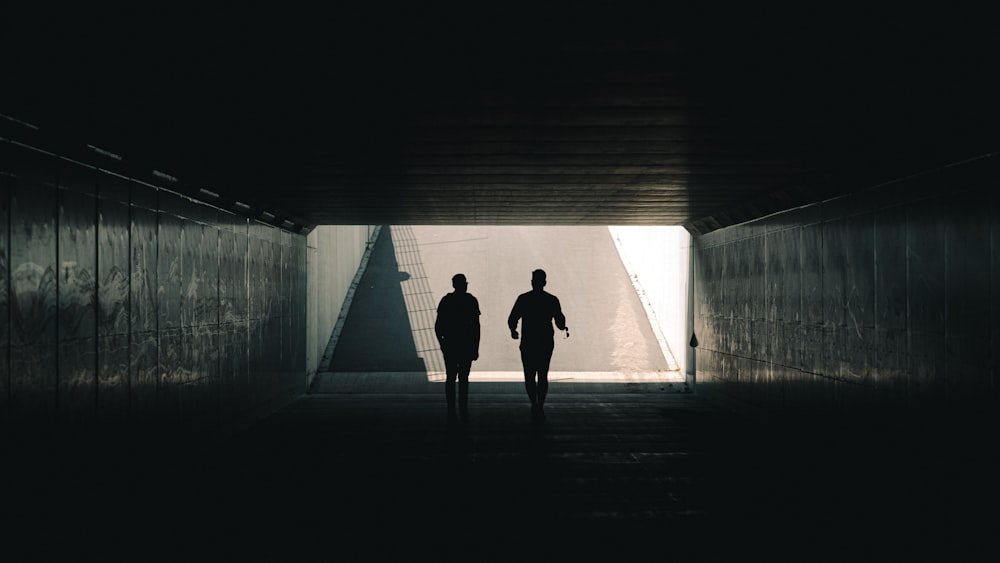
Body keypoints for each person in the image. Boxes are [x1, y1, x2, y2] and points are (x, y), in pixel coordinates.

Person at [507, 269, 567, 421]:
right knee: (542, 374)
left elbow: (512, 318)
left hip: (528, 341)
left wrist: (513, 331)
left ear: (532, 282)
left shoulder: (523, 299)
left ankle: (533, 402)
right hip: (545, 342)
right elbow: (560, 323)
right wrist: (564, 326)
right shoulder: (552, 300)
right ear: (545, 283)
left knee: (529, 374)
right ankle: (540, 404)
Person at [434, 273, 481, 424]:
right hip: (466, 345)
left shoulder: (446, 301)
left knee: (450, 377)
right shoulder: (471, 301)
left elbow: (438, 326)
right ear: (464, 285)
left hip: (450, 345)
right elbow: (476, 326)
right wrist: (475, 347)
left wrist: (442, 344)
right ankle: (463, 408)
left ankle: (451, 409)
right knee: (464, 378)